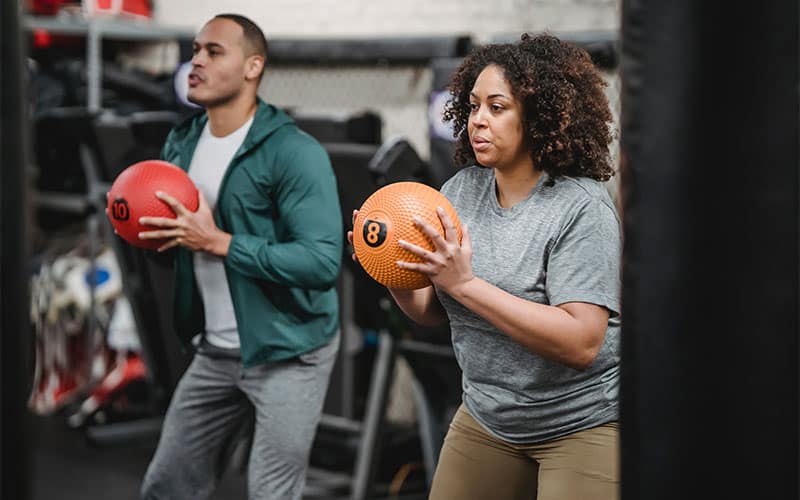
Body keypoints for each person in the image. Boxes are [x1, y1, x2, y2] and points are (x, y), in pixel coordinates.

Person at [350, 33, 621, 500]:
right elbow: (432, 310)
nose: (477, 120)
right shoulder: (460, 192)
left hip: (581, 422)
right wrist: (391, 269)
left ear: (538, 116)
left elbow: (582, 342)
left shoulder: (581, 209)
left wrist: (467, 284)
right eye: (473, 106)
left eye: (497, 108)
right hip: (488, 415)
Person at [135, 13, 343, 500]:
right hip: (215, 351)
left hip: (290, 352)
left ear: (253, 67)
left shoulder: (294, 151)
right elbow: (176, 253)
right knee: (167, 485)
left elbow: (321, 263)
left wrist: (217, 241)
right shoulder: (182, 143)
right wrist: (139, 227)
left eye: (213, 51)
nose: (196, 61)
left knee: (272, 493)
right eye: (194, 50)